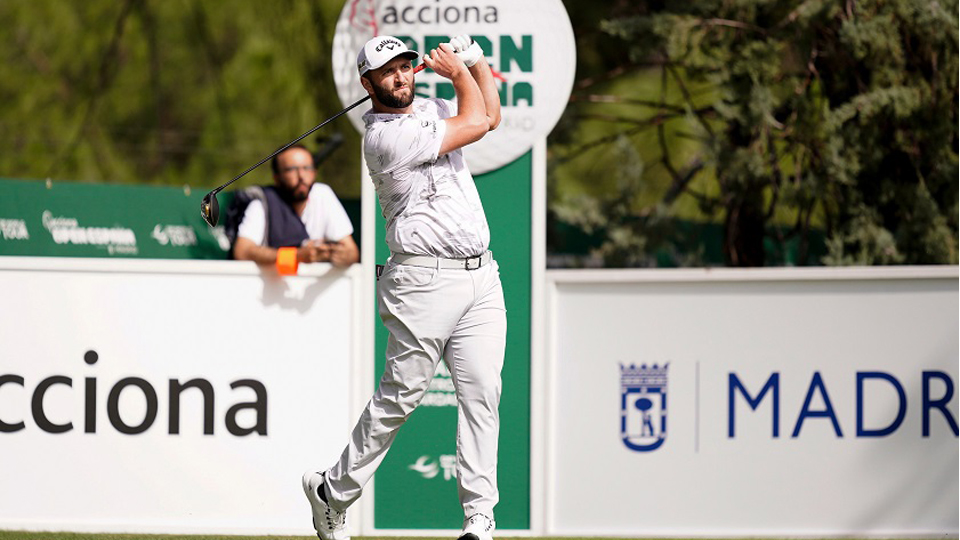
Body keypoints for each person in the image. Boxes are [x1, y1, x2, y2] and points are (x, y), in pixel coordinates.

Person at [301, 35, 504, 540]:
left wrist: (476, 63)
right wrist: (460, 73)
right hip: (422, 279)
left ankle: (480, 519)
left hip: (481, 275)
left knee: (482, 393)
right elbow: (476, 122)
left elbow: (492, 117)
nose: (401, 76)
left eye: (406, 66)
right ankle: (332, 491)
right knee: (401, 397)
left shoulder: (431, 108)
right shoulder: (382, 139)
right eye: (388, 71)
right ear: (367, 84)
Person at [229, 144, 359, 269]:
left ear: (314, 172)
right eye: (291, 169)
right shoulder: (262, 203)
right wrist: (296, 256)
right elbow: (242, 251)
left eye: (307, 168)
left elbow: (351, 251)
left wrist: (335, 254)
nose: (301, 176)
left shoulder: (323, 194)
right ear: (276, 178)